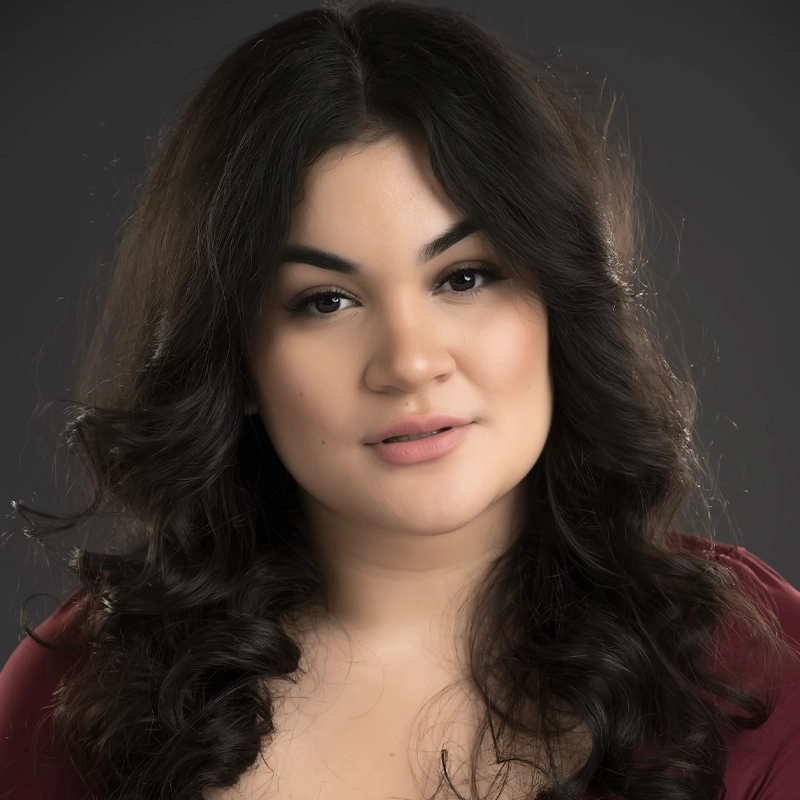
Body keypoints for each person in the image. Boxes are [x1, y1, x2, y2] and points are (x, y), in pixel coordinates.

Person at [2, 1, 799, 799]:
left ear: (561, 301)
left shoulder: (759, 665)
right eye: (325, 301)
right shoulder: (76, 696)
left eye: (465, 277)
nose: (411, 363)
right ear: (233, 358)